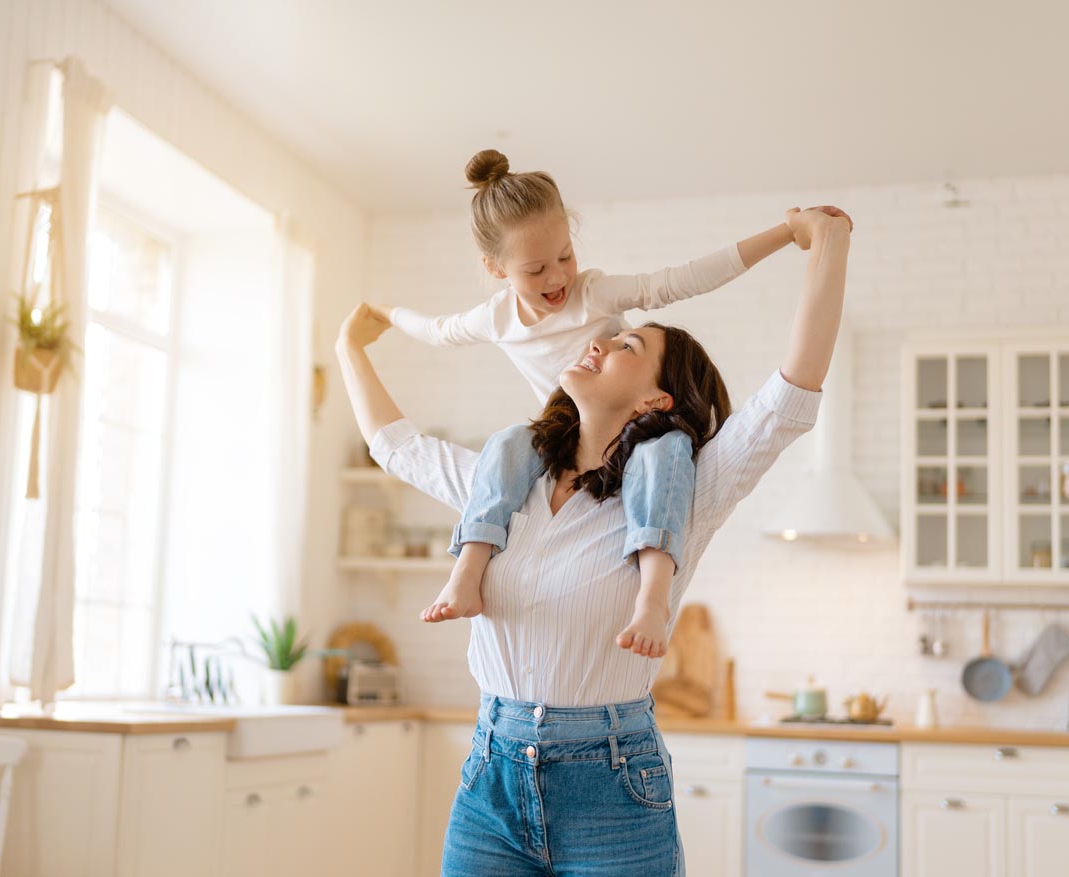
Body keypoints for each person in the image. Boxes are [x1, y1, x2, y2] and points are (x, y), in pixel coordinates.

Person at [335, 204, 853, 875]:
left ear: (654, 401)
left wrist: (825, 243)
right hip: (490, 777)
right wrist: (349, 346)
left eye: (627, 347)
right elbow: (397, 448)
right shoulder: (505, 481)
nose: (598, 341)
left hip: (611, 784)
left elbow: (789, 397)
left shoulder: (685, 492)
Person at [371, 148, 851, 658]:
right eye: (536, 270)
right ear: (495, 268)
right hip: (562, 430)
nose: (557, 278)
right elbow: (435, 334)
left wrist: (788, 234)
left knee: (662, 454)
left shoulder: (592, 294)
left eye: (565, 256)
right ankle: (467, 572)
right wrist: (381, 315)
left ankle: (653, 597)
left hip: (633, 436)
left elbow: (684, 278)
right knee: (508, 442)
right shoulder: (495, 321)